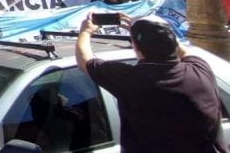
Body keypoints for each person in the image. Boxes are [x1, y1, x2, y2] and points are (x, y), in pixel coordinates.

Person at [76, 14, 227, 153]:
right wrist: (153, 29)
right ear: (173, 43)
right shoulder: (200, 69)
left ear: (135, 47)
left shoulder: (131, 80)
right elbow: (187, 53)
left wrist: (85, 31)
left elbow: (84, 60)